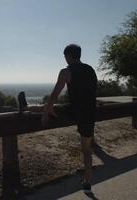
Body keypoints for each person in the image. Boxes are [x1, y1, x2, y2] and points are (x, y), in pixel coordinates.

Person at [42, 44, 97, 193]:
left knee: (48, 107)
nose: (65, 59)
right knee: (86, 149)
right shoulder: (91, 69)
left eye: (65, 56)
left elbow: (54, 95)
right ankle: (87, 182)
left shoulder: (65, 71)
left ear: (68, 56)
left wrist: (46, 112)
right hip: (89, 113)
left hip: (72, 111)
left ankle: (27, 108)